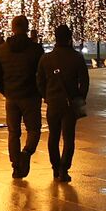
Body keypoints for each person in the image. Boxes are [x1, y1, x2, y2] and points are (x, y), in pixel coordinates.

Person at [0, 15, 44, 178]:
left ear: (13, 28)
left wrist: (6, 91)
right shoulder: (36, 50)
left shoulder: (2, 50)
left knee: (13, 132)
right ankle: (26, 153)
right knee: (34, 129)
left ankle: (15, 166)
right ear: (27, 28)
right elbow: (42, 75)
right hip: (31, 96)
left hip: (12, 96)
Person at [37, 24, 89, 182]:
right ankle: (64, 169)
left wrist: (46, 96)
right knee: (68, 137)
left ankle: (55, 167)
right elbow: (84, 81)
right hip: (70, 103)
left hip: (53, 102)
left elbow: (39, 81)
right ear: (69, 38)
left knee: (53, 137)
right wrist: (80, 97)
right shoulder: (77, 57)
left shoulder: (46, 58)